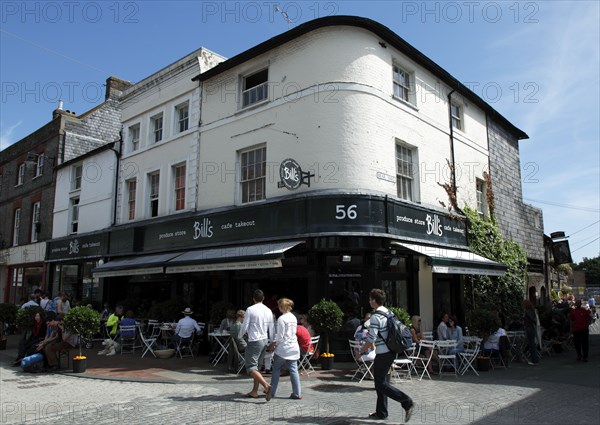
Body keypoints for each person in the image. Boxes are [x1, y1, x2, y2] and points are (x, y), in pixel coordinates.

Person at [356, 289, 414, 422]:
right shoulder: (388, 312)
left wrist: (360, 352)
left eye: (370, 299)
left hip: (383, 354)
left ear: (374, 301)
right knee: (383, 382)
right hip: (390, 351)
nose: (369, 301)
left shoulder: (375, 317)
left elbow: (371, 338)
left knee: (380, 384)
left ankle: (406, 401)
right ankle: (381, 412)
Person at [239, 289, 274, 399]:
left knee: (251, 367)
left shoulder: (250, 309)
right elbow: (271, 327)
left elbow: (244, 326)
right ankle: (254, 391)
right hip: (264, 339)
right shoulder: (268, 310)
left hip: (254, 340)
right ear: (263, 298)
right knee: (257, 367)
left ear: (253, 298)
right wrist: (272, 341)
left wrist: (239, 336)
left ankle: (266, 386)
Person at [267, 298, 302, 400]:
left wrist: (273, 344)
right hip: (293, 346)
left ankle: (272, 391)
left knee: (276, 368)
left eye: (279, 306)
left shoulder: (281, 319)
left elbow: (280, 336)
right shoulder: (293, 317)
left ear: (282, 307)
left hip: (284, 348)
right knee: (294, 370)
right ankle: (297, 393)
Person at [523, 300, 540, 365]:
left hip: (529, 328)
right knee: (532, 344)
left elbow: (532, 319)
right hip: (531, 328)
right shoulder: (532, 310)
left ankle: (534, 360)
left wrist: (526, 321)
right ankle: (535, 360)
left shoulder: (528, 311)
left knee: (531, 344)